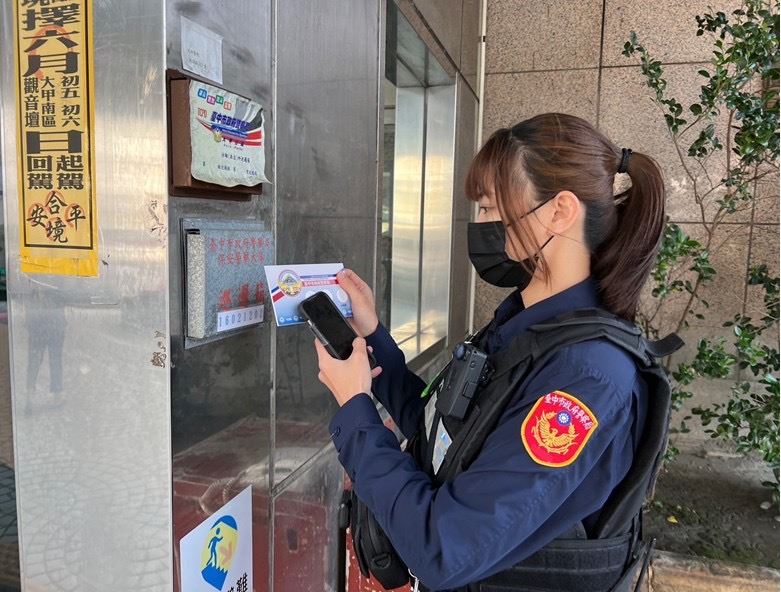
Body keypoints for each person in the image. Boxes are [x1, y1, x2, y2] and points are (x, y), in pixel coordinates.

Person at [313, 113, 671, 592]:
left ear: (560, 211)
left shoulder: (585, 376)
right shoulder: (526, 325)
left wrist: (356, 409)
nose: (479, 224)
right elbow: (442, 431)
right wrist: (373, 335)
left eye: (488, 207)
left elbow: (444, 548)